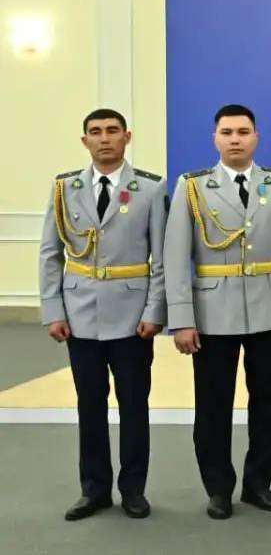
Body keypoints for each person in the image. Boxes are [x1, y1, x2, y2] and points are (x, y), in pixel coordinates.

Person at [165, 104, 271, 520]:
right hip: (212, 313)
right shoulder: (191, 187)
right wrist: (183, 319)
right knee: (213, 407)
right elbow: (175, 258)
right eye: (227, 132)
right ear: (215, 138)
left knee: (267, 403)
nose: (235, 139)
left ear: (256, 137)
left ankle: (258, 483)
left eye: (243, 131)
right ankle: (218, 489)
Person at [38, 108, 166, 521]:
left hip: (133, 318)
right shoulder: (65, 188)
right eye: (95, 132)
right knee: (88, 404)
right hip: (80, 316)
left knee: (133, 406)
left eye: (112, 131)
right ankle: (93, 490)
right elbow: (50, 254)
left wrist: (155, 311)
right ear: (84, 141)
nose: (104, 138)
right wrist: (53, 310)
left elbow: (161, 259)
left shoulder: (149, 188)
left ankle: (133, 490)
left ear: (127, 137)